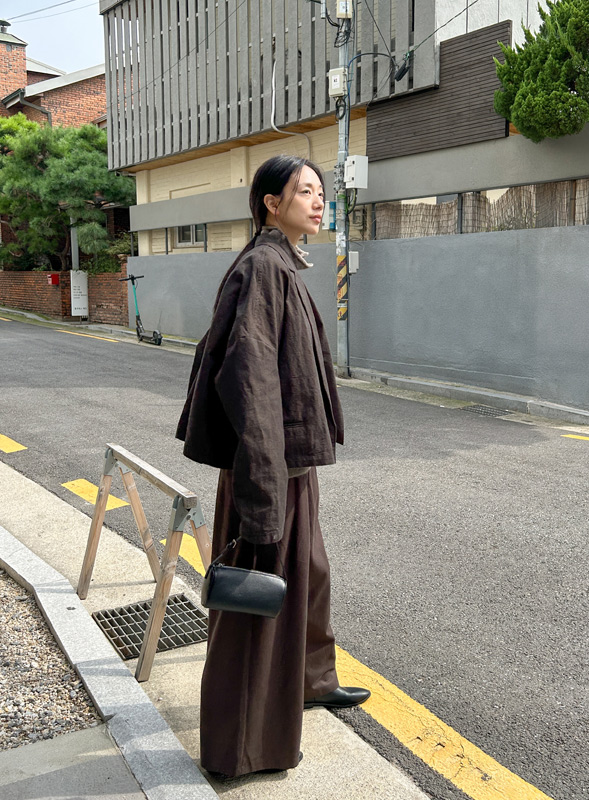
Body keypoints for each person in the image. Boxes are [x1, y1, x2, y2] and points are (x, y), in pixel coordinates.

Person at [176, 154, 370, 779]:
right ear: (270, 202)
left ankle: (310, 681)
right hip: (269, 467)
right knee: (257, 604)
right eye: (304, 191)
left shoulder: (282, 261)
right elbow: (250, 379)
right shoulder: (265, 267)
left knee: (309, 574)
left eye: (320, 192)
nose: (318, 202)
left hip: (288, 463)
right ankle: (240, 748)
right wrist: (262, 494)